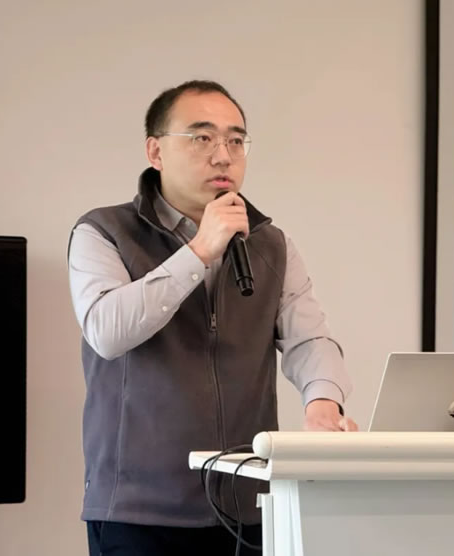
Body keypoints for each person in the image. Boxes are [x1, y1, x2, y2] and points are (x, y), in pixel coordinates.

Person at [68, 80, 358, 556]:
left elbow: (310, 340)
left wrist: (324, 402)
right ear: (155, 151)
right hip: (138, 512)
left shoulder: (270, 244)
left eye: (236, 140)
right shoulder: (104, 231)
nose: (223, 156)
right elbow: (106, 331)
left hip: (247, 504)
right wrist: (200, 250)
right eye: (202, 137)